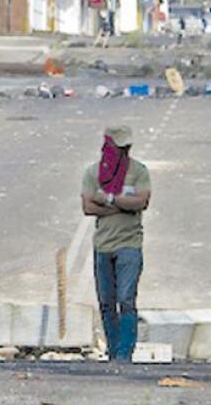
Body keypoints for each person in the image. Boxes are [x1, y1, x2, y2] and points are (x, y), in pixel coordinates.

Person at [80, 125, 152, 363]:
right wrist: (123, 203)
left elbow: (141, 202)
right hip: (103, 245)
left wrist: (108, 199)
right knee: (106, 303)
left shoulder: (139, 172)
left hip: (129, 244)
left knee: (126, 300)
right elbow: (88, 207)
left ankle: (125, 353)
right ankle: (113, 351)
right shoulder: (93, 174)